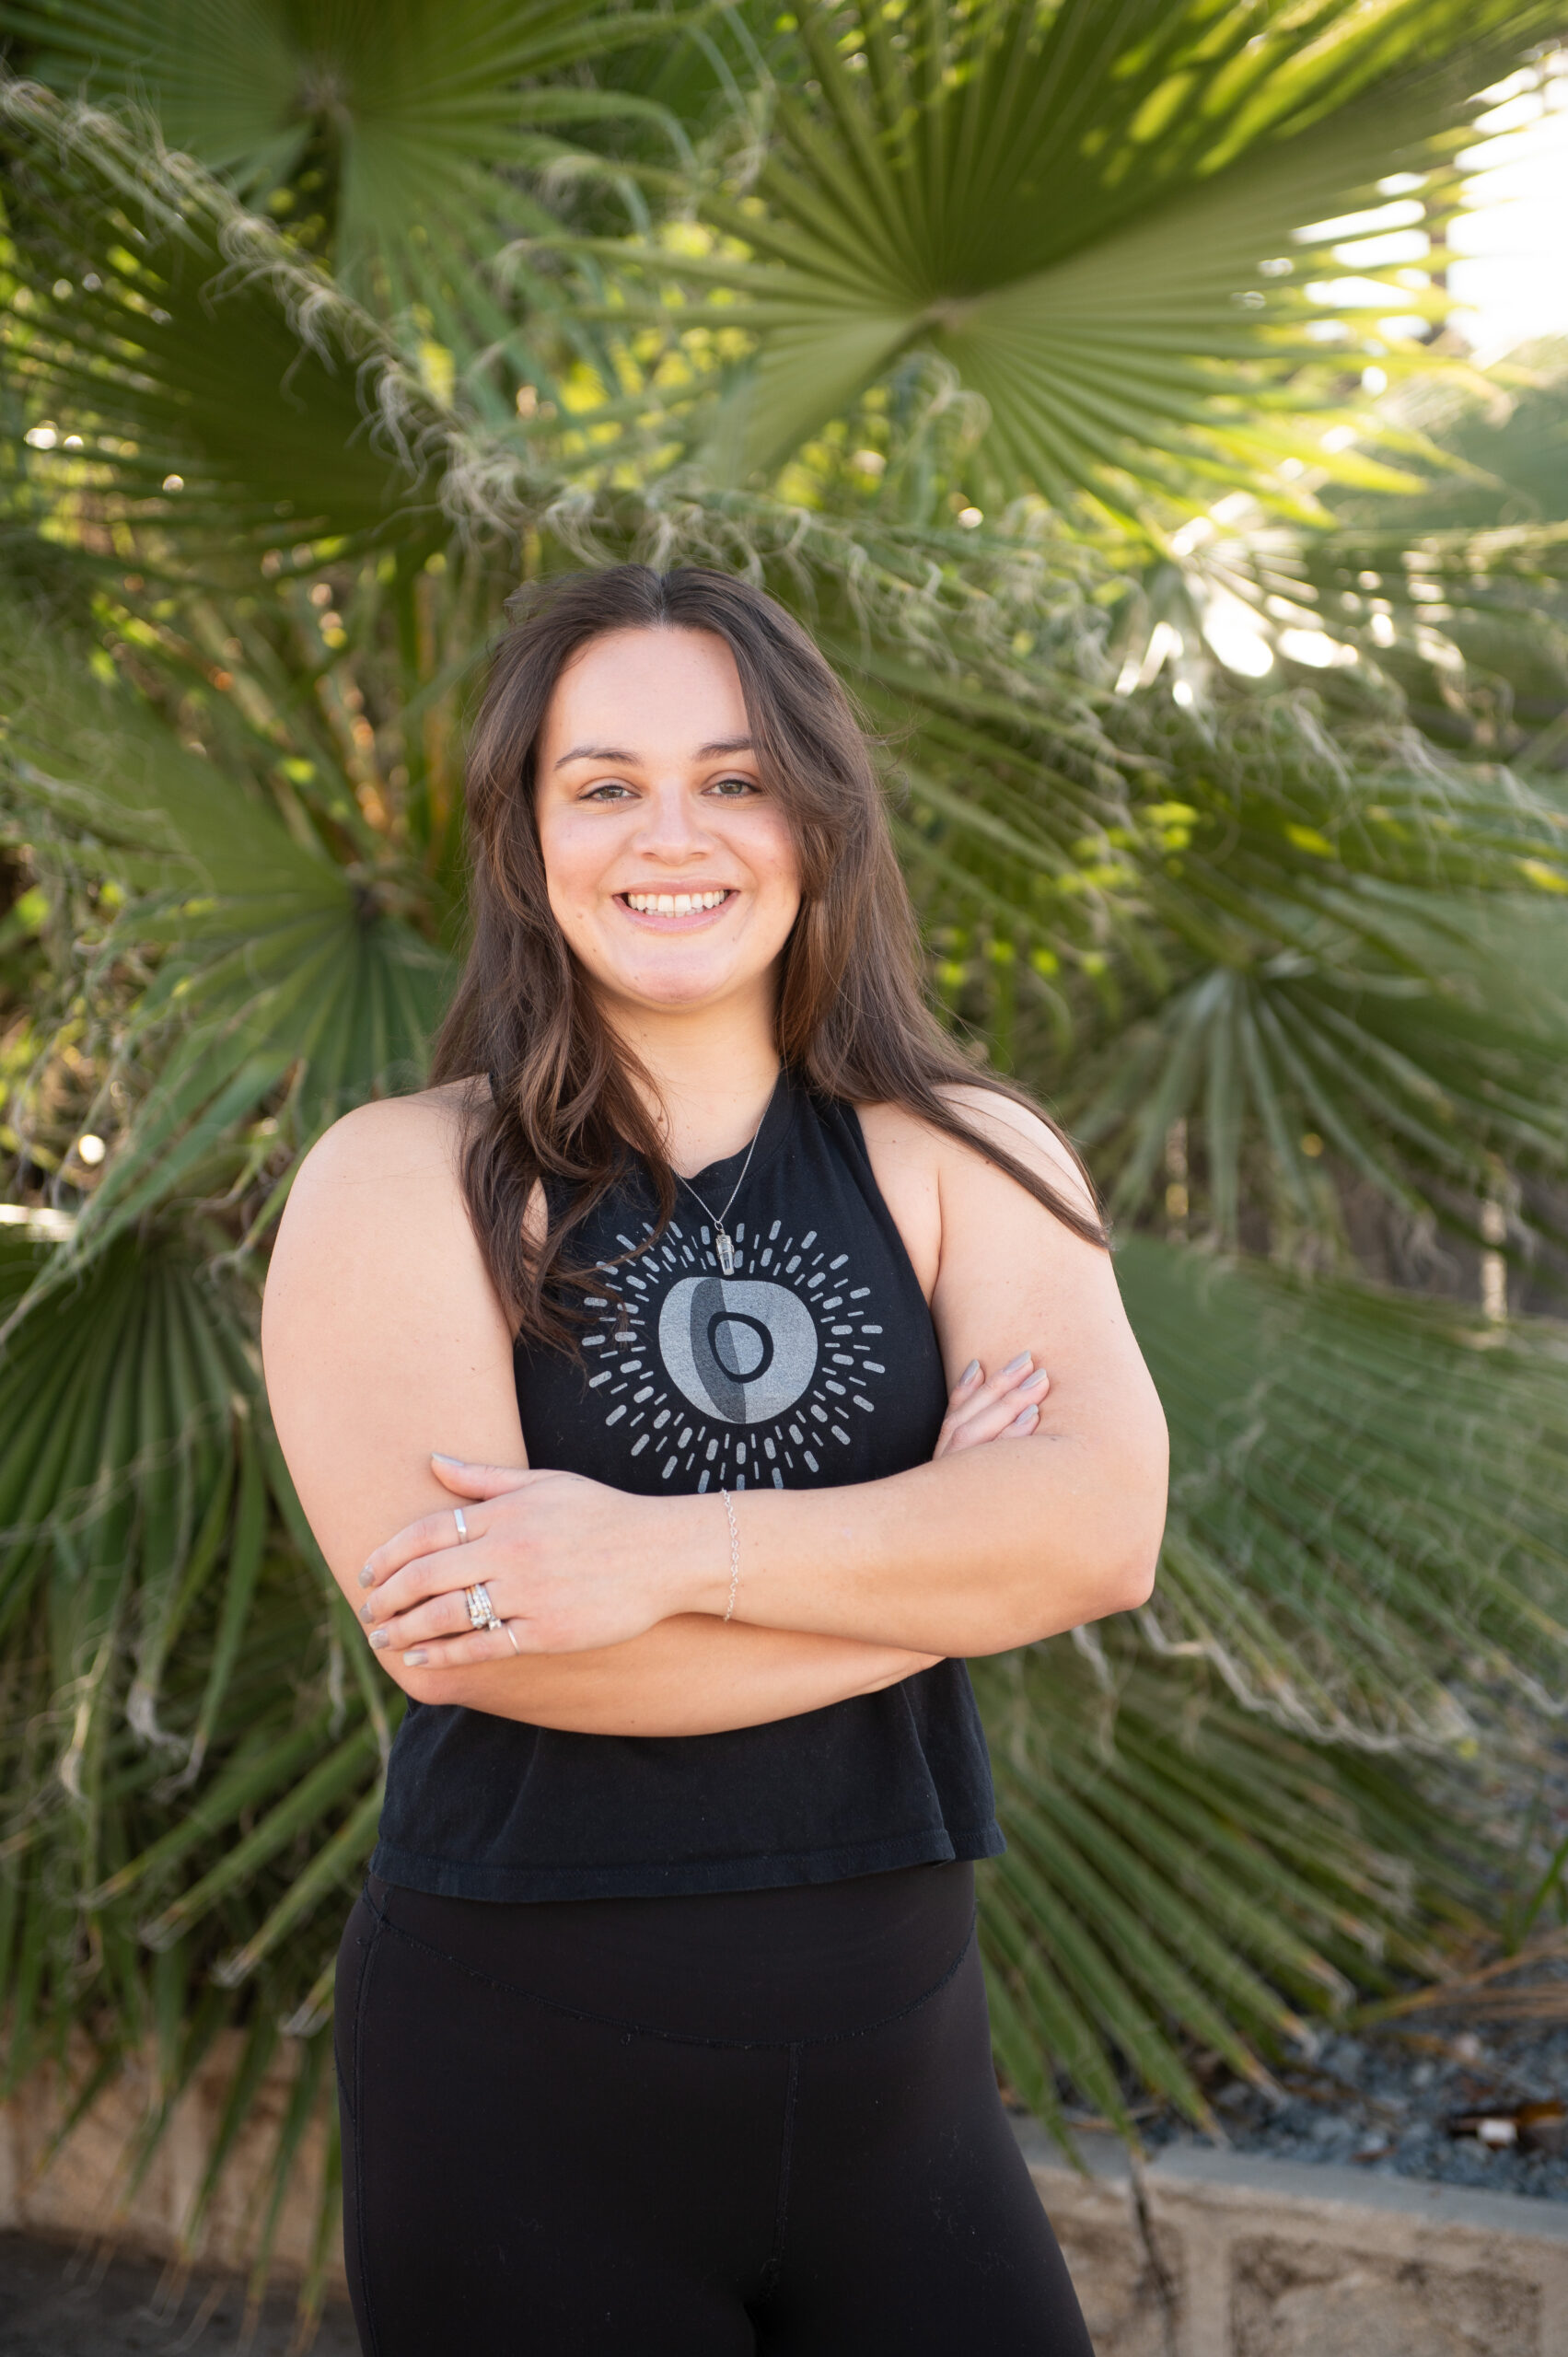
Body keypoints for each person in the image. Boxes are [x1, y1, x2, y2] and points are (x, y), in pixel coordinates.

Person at [261, 564, 1168, 2355]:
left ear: (817, 816)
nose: (671, 831)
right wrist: (943, 1565)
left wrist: (658, 1553)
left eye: (734, 776)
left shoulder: (956, 1146)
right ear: (527, 836)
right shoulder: (403, 1175)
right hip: (518, 2092)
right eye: (603, 781)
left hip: (902, 2090)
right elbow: (482, 1632)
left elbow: (1100, 1532)